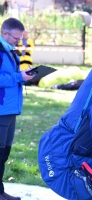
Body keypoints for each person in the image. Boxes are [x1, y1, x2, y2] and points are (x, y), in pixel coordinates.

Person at [0, 17, 35, 200]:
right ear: (5, 33)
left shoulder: (10, 51)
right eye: (15, 38)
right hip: (1, 110)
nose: (18, 41)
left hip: (10, 109)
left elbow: (11, 76)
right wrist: (17, 76)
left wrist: (25, 76)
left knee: (4, 153)